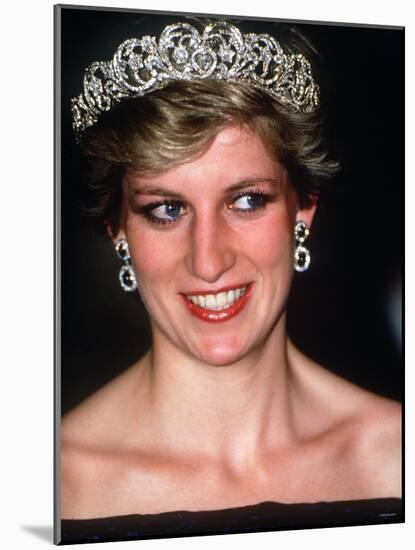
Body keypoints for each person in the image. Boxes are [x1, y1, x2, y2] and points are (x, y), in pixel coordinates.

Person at [60, 16, 401, 543]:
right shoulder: (54, 482)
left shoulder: (396, 454)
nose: (208, 261)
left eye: (246, 201)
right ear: (117, 229)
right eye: (166, 209)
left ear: (302, 209)